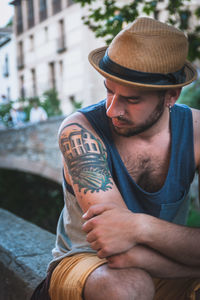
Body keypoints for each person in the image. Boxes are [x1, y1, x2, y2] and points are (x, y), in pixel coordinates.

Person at [31, 17, 200, 300]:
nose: (112, 110)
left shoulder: (196, 133)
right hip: (89, 264)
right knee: (128, 287)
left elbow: (128, 234)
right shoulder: (80, 131)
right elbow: (115, 248)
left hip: (162, 264)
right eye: (109, 90)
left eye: (131, 99)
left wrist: (140, 226)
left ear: (171, 95)